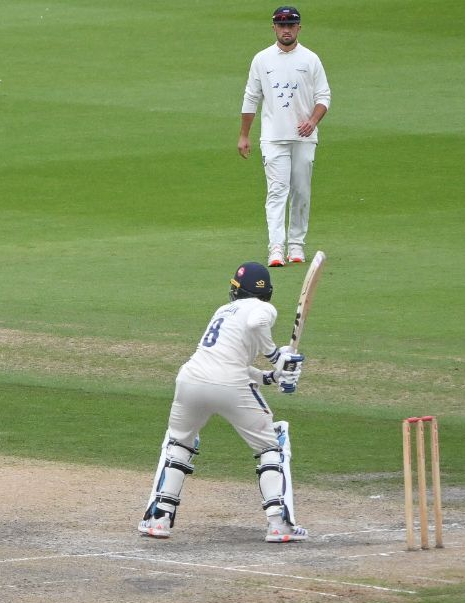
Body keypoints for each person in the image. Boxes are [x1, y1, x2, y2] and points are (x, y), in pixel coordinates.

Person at [139, 262, 307, 543]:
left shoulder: (223, 311)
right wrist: (276, 357)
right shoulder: (263, 308)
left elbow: (227, 358)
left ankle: (158, 519)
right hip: (230, 385)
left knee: (179, 444)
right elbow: (256, 325)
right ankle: (279, 524)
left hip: (191, 380)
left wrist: (269, 376)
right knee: (271, 445)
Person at [239, 5, 330, 267]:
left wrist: (313, 121)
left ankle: (297, 245)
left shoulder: (311, 59)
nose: (286, 29)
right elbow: (251, 97)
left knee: (301, 190)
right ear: (274, 28)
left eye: (291, 25)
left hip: (304, 138)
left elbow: (324, 96)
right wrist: (244, 135)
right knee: (277, 191)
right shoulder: (262, 59)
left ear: (299, 28)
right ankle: (276, 248)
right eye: (281, 25)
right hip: (273, 137)